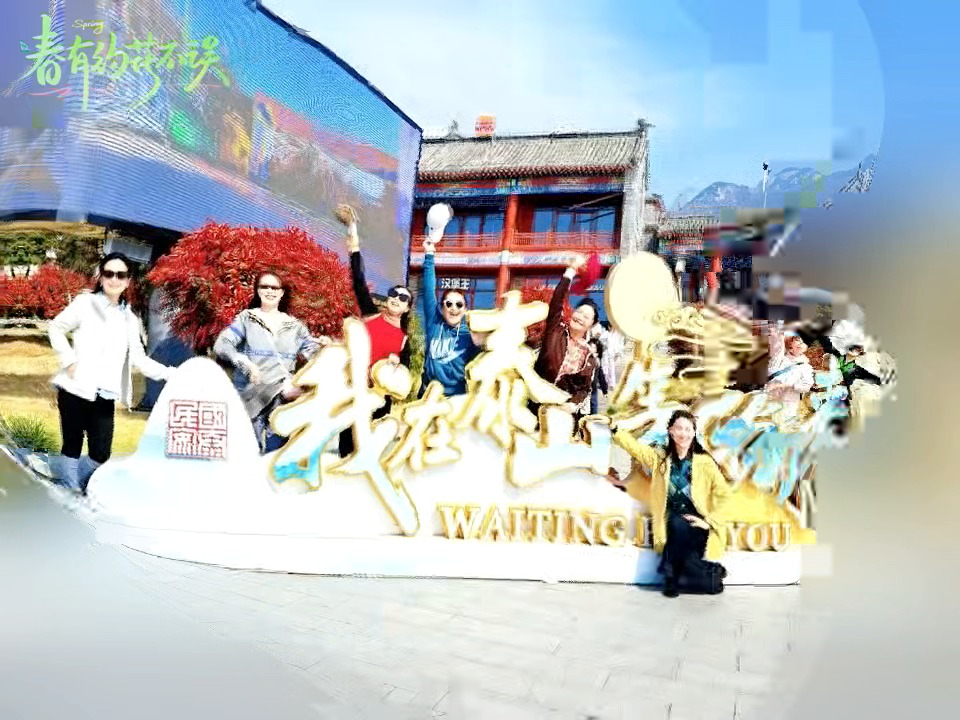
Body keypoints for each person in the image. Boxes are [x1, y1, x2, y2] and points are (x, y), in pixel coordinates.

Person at [48, 252, 174, 493]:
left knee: (101, 454)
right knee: (72, 445)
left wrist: (171, 374)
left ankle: (74, 483)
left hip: (104, 394)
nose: (114, 279)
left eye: (120, 275)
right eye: (109, 274)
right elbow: (56, 327)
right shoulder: (85, 303)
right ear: (101, 277)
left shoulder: (130, 318)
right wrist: (69, 360)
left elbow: (139, 359)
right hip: (75, 387)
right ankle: (70, 489)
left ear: (128, 281)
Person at [608, 409, 733, 597]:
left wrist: (708, 521)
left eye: (688, 429)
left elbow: (724, 494)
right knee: (676, 524)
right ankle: (708, 573)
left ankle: (672, 575)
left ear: (694, 433)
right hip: (669, 521)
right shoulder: (659, 459)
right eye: (679, 428)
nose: (683, 433)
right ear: (671, 431)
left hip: (697, 525)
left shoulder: (704, 462)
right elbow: (635, 448)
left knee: (682, 534)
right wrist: (614, 428)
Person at [213, 271, 322, 453]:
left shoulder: (295, 326)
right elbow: (222, 344)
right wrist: (244, 362)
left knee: (276, 455)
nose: (269, 291)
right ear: (257, 290)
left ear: (282, 292)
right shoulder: (247, 319)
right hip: (250, 396)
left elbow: (314, 355)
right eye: (264, 286)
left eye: (274, 287)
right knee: (248, 452)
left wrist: (325, 346)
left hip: (282, 397)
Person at [337, 204, 412, 456]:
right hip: (354, 391)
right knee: (346, 450)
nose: (397, 299)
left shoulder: (404, 340)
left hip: (379, 400)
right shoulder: (370, 315)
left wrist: (396, 367)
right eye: (393, 294)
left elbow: (404, 377)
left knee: (369, 452)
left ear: (407, 308)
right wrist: (353, 232)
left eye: (403, 298)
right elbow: (358, 279)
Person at [532, 255, 600, 421]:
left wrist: (572, 405)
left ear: (591, 325)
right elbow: (557, 302)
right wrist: (570, 271)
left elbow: (584, 389)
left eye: (586, 317)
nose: (580, 317)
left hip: (562, 415)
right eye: (579, 312)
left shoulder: (589, 357)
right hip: (535, 405)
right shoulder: (557, 330)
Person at [419, 234, 483, 397]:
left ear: (465, 309)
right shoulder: (435, 323)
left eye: (459, 304)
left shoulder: (470, 332)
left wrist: (480, 344)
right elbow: (428, 289)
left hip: (457, 400)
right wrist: (429, 254)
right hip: (429, 396)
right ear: (442, 308)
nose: (454, 308)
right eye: (449, 304)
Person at [765, 323, 814, 418]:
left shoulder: (806, 367)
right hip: (772, 401)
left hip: (787, 404)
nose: (800, 343)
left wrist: (784, 385)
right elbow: (777, 346)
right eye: (798, 344)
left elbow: (806, 386)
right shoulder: (779, 360)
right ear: (790, 349)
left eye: (801, 343)